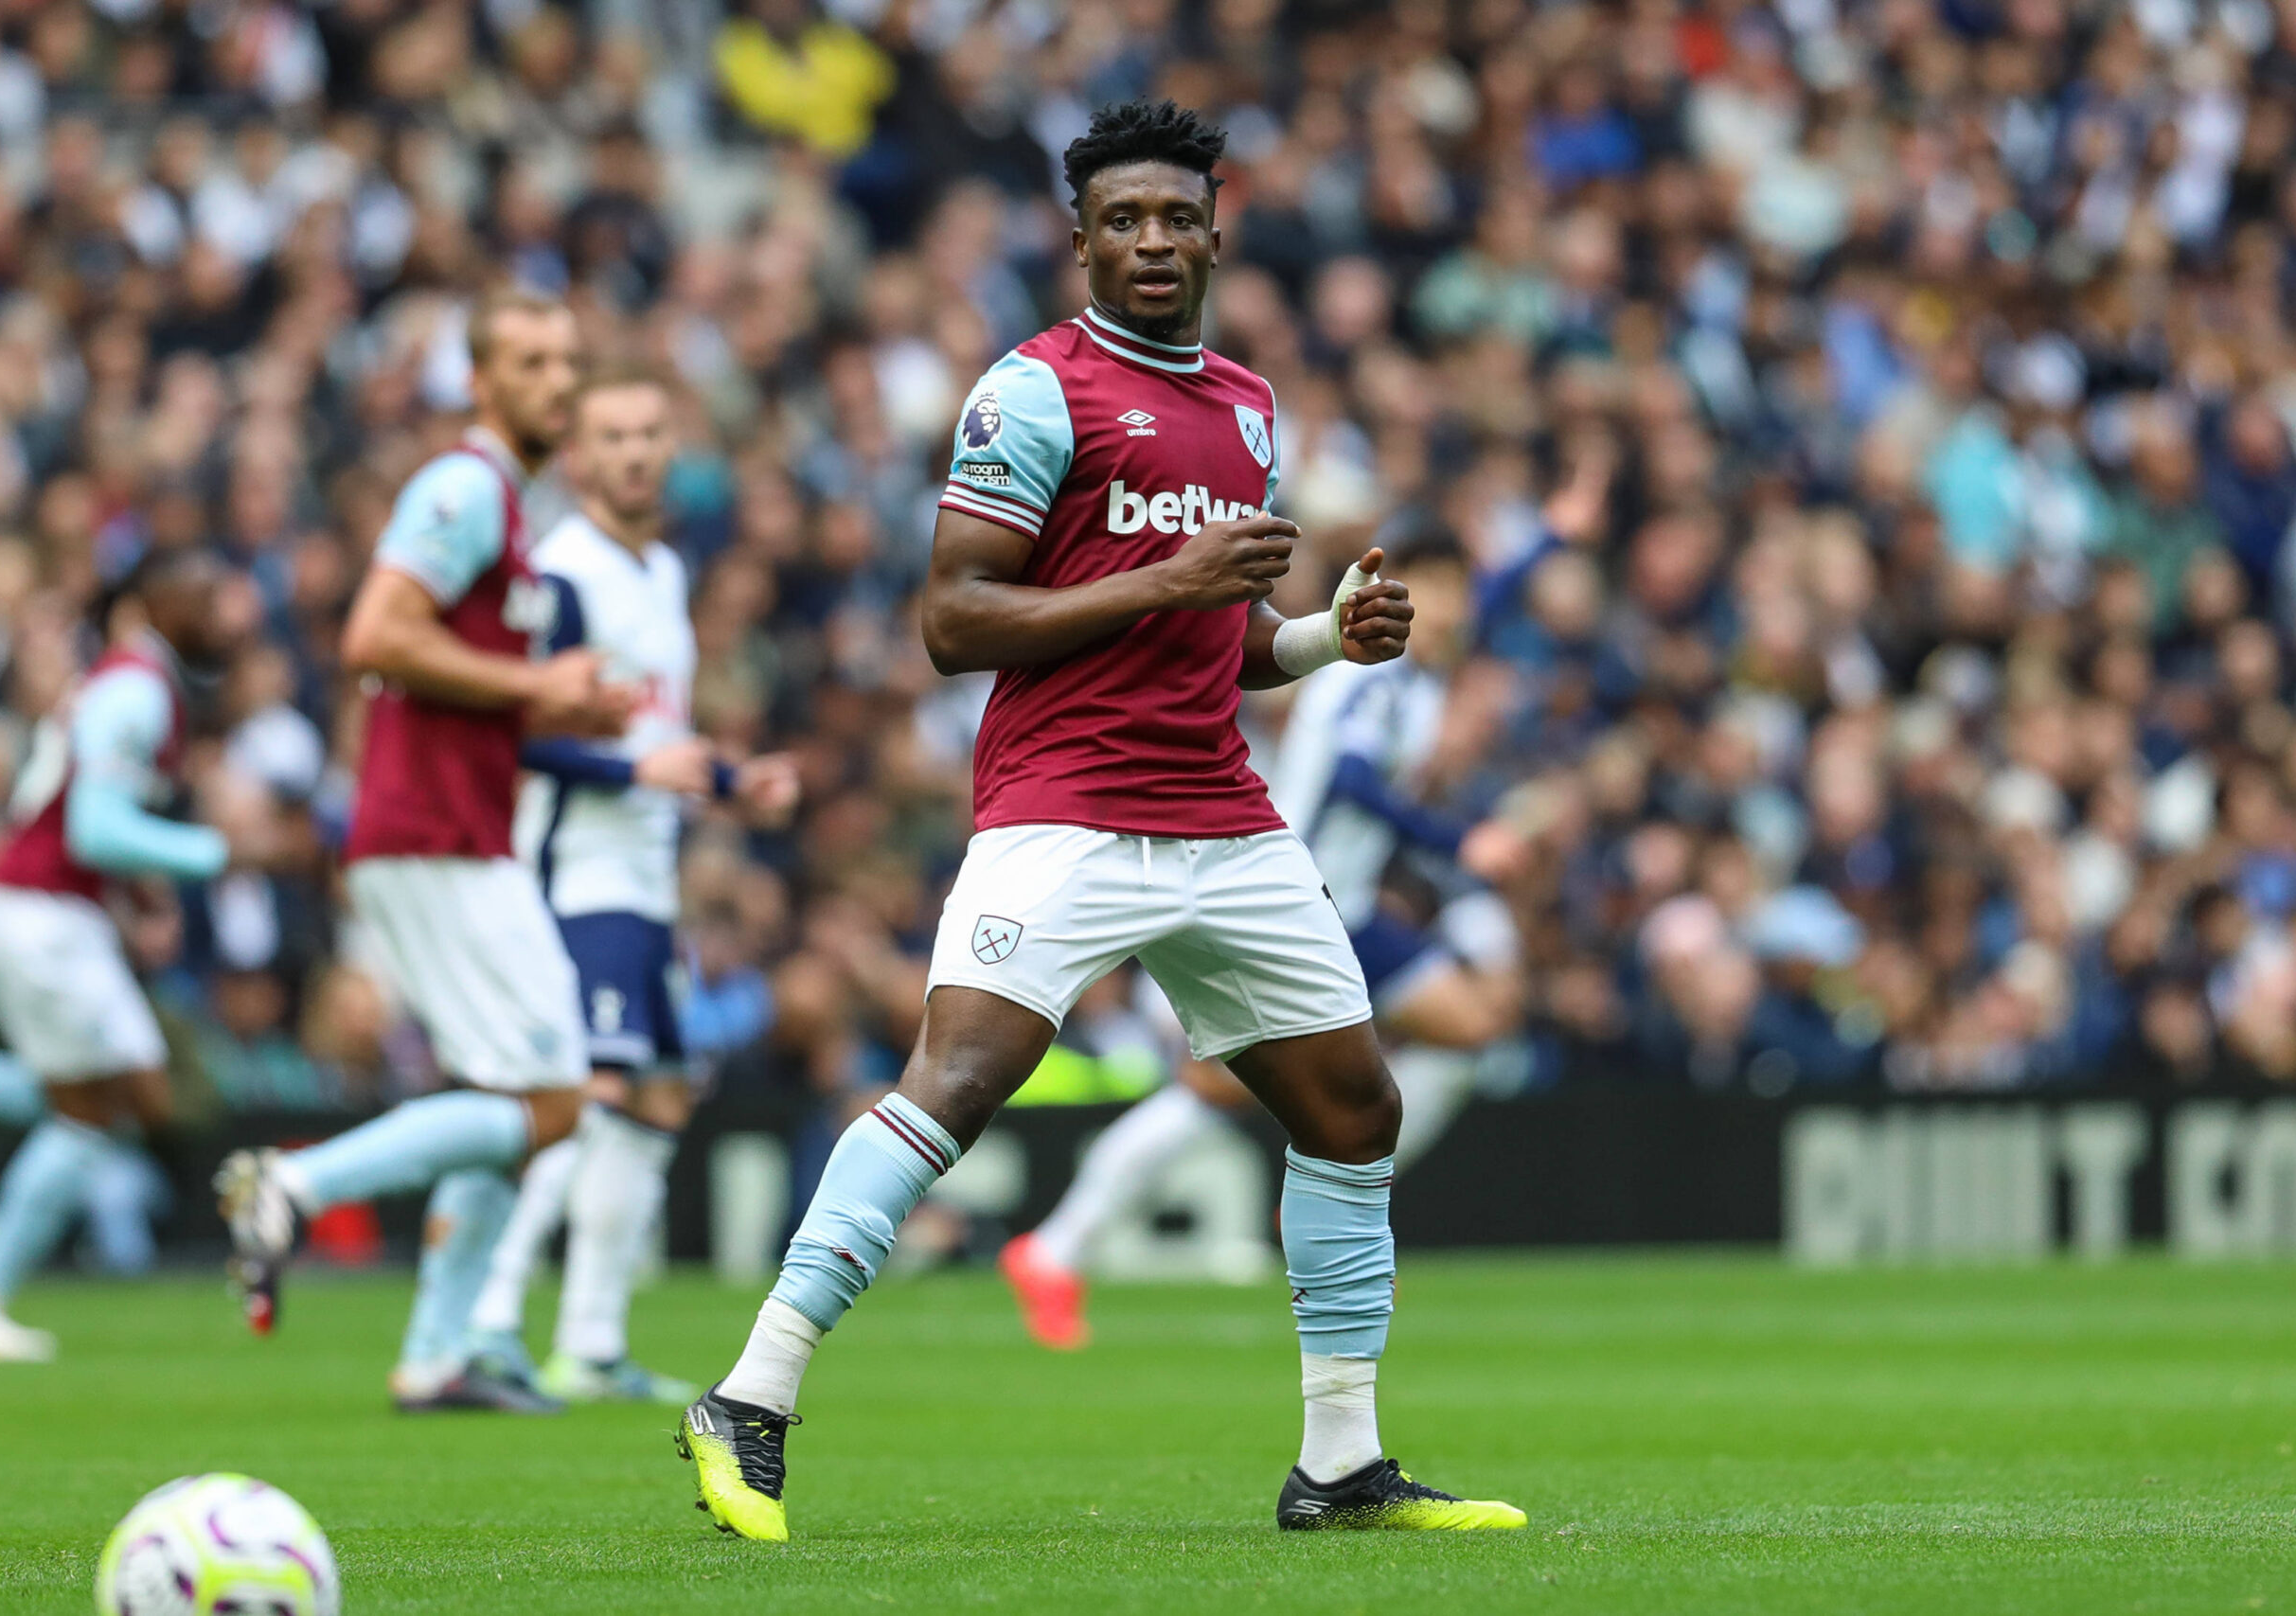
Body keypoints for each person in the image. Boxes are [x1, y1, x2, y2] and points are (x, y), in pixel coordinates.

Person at [674, 100, 1526, 1539]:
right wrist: (1167, 581)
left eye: (1175, 218)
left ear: (1215, 231)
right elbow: (953, 618)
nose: (1149, 241)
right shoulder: (1031, 391)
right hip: (1063, 805)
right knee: (958, 1079)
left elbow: (1232, 643)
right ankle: (750, 1394)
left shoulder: (1251, 406)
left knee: (1354, 1104)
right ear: (1079, 239)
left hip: (1224, 814)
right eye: (1121, 219)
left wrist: (1330, 634)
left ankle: (1339, 1466)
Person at [216, 291, 634, 1412]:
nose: (559, 380)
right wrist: (536, 684)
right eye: (533, 360)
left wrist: (556, 715)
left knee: (516, 1097)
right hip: (434, 831)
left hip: (453, 824)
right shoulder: (463, 488)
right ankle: (294, 1186)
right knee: (555, 1100)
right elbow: (375, 637)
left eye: (569, 361)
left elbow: (456, 678)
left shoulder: (506, 505)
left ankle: (438, 1355)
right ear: (481, 381)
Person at [997, 532, 1529, 1349]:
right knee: (1215, 1091)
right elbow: (1351, 778)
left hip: (1345, 908)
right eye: (1441, 589)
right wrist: (1458, 843)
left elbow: (1477, 607)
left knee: (1467, 1031)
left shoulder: (1414, 666)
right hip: (1288, 898)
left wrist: (1553, 535)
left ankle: (1320, 1193)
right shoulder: (1371, 669)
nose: (1457, 607)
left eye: (1462, 590)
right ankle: (1057, 1247)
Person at [461, 364, 799, 1406]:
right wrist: (632, 771)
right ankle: (482, 1325)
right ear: (577, 456)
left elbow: (652, 736)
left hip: (643, 874)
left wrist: (735, 782)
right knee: (587, 1093)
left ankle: (593, 1346)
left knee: (654, 1095)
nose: (635, 452)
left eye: (651, 431)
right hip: (575, 871)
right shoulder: (560, 573)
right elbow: (513, 732)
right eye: (611, 435)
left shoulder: (657, 570)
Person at [0, 548, 258, 1361]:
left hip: (41, 907)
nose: (227, 611)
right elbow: (94, 828)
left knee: (95, 1102)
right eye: (202, 592)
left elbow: (86, 814)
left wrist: (142, 890)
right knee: (129, 1094)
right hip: (40, 910)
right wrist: (214, 851)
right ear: (145, 607)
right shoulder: (137, 687)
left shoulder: (130, 683)